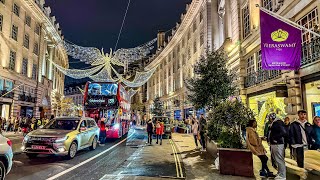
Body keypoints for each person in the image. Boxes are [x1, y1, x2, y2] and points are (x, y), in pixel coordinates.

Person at [269, 114, 287, 180]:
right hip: (275, 143)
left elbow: (284, 132)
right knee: (277, 158)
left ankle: (282, 175)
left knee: (279, 159)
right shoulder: (276, 123)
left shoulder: (278, 123)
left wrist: (275, 138)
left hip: (278, 144)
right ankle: (280, 173)